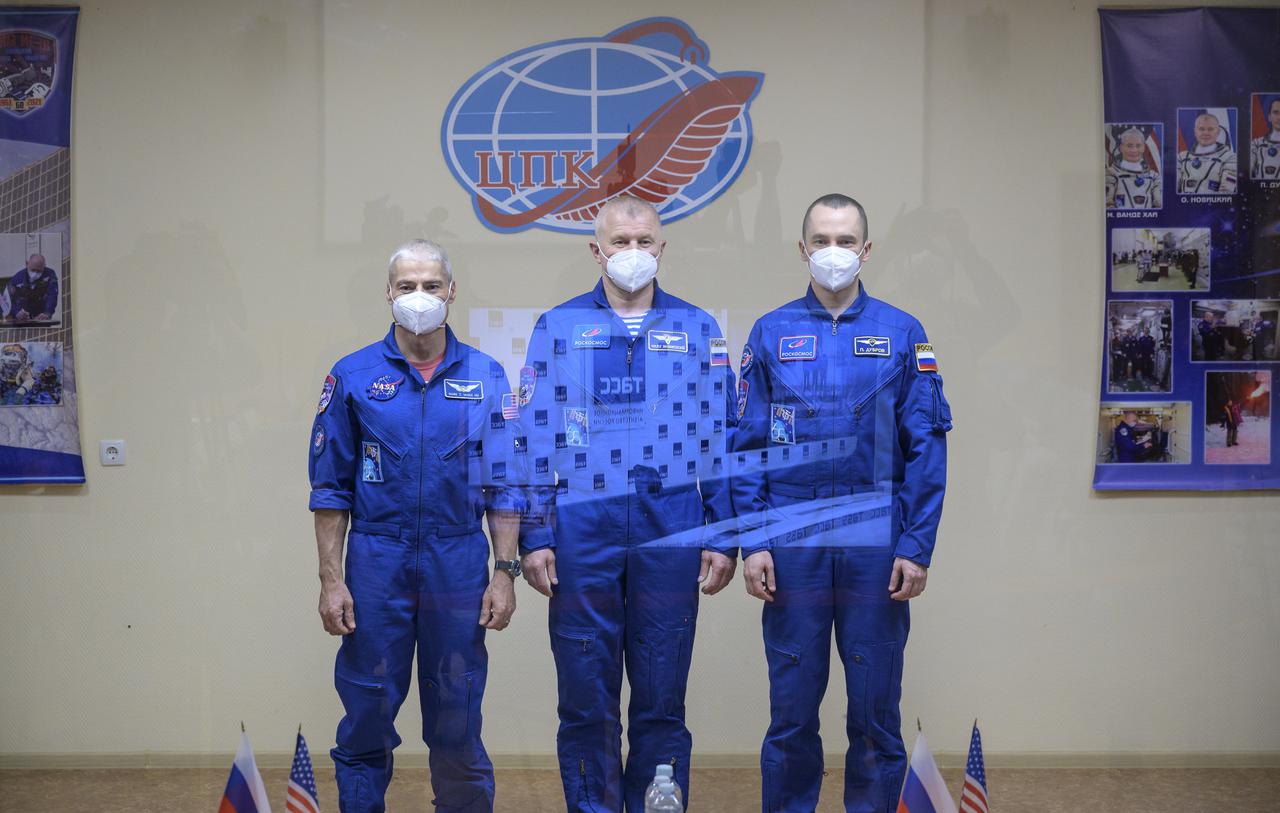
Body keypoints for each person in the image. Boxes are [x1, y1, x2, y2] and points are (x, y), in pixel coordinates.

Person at [731, 194, 953, 812]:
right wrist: (754, 542)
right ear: (802, 249)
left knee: (876, 716)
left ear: (866, 249)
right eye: (823, 240)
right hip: (793, 538)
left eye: (846, 240)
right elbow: (746, 447)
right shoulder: (771, 333)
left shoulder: (902, 332)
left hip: (875, 541)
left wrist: (915, 546)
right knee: (792, 715)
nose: (835, 252)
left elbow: (926, 453)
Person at [517, 195, 738, 812]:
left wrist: (724, 534)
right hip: (583, 524)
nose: (633, 254)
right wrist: (535, 536)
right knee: (586, 693)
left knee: (662, 689)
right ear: (597, 250)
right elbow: (532, 438)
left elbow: (722, 438)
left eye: (645, 242)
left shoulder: (698, 330)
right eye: (620, 243)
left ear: (662, 248)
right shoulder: (557, 327)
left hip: (673, 523)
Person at [308, 239, 524, 813]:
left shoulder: (487, 376)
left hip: (457, 561)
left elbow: (505, 488)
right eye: (407, 286)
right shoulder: (352, 377)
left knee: (456, 716)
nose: (420, 297)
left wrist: (504, 574)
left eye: (431, 285)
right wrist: (332, 581)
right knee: (367, 714)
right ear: (388, 294)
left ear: (452, 291)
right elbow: (329, 493)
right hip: (377, 561)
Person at [1176, 112, 1237, 194]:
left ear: (1218, 132)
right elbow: (1171, 190)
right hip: (1182, 205)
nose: (1205, 133)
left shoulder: (1229, 157)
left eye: (1210, 129)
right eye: (1201, 129)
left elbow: (1226, 194)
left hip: (1212, 206)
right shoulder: (1182, 157)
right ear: (1195, 132)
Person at [1106, 128, 1162, 209]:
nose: (1134, 150)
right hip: (1122, 221)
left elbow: (1159, 205)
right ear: (1121, 147)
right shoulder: (1111, 174)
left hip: (1148, 221)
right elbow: (1107, 205)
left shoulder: (1154, 177)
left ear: (1143, 148)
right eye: (1129, 146)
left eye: (1138, 146)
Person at [1, 254, 58, 323]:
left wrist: (48, 312)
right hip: (21, 316)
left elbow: (52, 295)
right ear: (27, 264)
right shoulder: (17, 279)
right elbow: (5, 301)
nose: (35, 274)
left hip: (40, 316)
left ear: (44, 266)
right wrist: (16, 312)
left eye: (39, 271)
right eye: (33, 270)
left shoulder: (50, 274)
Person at [1250, 97, 1280, 180]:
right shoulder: (1256, 144)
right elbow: (1247, 170)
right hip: (1257, 192)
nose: (1279, 117)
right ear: (1269, 117)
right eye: (1276, 113)